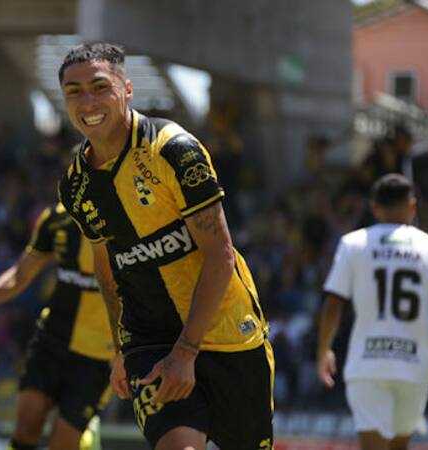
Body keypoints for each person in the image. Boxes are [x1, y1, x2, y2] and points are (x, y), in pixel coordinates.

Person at [56, 42, 273, 450]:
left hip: (227, 330)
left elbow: (220, 255)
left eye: (100, 87)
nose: (88, 102)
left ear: (127, 89)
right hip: (149, 339)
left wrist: (186, 353)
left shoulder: (174, 150)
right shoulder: (76, 186)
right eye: (74, 92)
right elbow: (106, 268)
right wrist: (121, 350)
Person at [317, 173, 428, 450]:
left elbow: (334, 303)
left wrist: (324, 349)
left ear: (375, 208)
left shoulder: (353, 244)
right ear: (412, 206)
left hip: (367, 363)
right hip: (415, 364)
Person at [0, 203, 113, 450]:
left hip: (98, 355)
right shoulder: (56, 218)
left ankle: (85, 437)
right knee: (26, 426)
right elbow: (21, 274)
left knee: (62, 444)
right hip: (52, 339)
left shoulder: (126, 217)